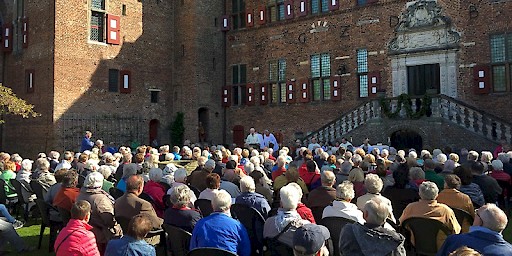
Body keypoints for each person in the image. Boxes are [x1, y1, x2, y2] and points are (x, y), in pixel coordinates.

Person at [400, 181, 461, 248]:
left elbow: (401, 224)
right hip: (440, 248)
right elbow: (456, 231)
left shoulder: (411, 208)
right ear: (437, 194)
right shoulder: (446, 211)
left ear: (420, 194)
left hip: (415, 246)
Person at [190, 190, 251, 256]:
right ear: (229, 206)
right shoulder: (238, 226)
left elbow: (193, 249)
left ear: (212, 205)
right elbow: (245, 252)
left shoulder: (200, 224)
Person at [437, 204, 512, 256]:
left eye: (476, 213)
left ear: (480, 222)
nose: (474, 214)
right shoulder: (509, 252)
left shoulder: (454, 241)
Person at [339, 198, 406, 255]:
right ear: (385, 218)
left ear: (365, 215)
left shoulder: (350, 231)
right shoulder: (396, 240)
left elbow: (343, 251)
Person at [76, 172, 121, 254]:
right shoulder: (100, 199)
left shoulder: (80, 195)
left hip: (87, 229)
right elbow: (109, 220)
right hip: (101, 233)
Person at [115, 175, 163, 244]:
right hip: (142, 238)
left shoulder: (117, 201)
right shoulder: (143, 204)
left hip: (125, 235)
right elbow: (156, 224)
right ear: (140, 188)